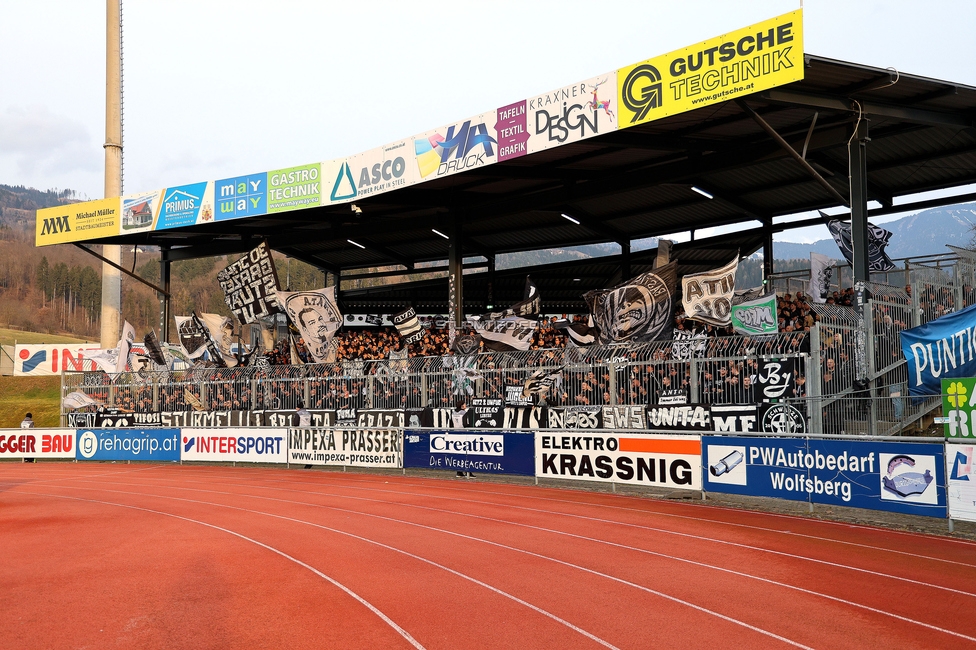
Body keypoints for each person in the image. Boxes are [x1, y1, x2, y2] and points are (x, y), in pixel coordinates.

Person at [451, 399, 474, 478]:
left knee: (458, 453)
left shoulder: (453, 413)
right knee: (467, 454)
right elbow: (465, 424)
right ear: (462, 406)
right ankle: (468, 472)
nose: (465, 405)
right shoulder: (464, 413)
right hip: (464, 434)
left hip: (456, 434)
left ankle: (459, 472)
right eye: (464, 404)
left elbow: (451, 424)